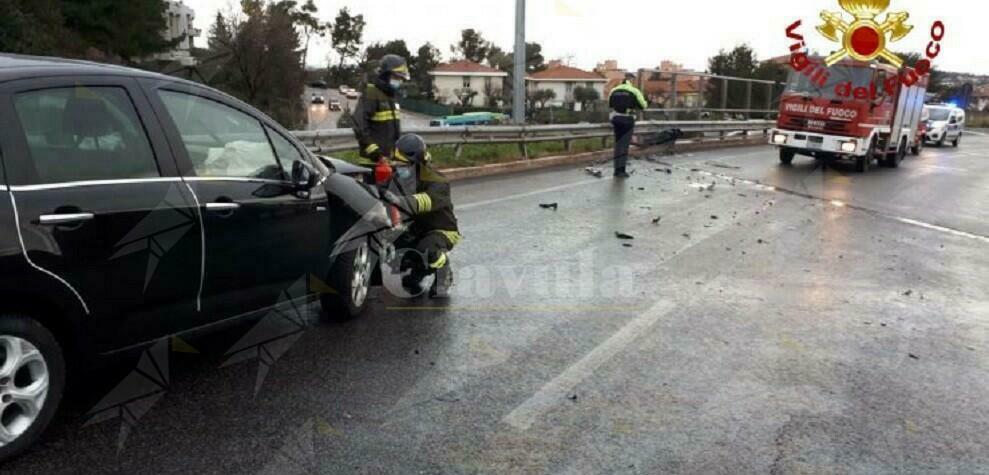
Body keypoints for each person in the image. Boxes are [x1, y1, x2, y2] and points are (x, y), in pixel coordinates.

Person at [384, 134, 461, 299]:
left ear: (417, 163)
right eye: (396, 164)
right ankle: (418, 271)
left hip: (441, 230)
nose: (398, 168)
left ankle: (444, 272)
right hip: (416, 230)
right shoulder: (399, 178)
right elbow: (382, 192)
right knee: (392, 248)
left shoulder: (437, 180)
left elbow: (426, 201)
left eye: (403, 165)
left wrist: (400, 201)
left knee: (427, 249)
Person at [352, 54, 409, 174]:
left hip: (388, 163)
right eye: (396, 77)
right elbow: (360, 126)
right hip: (372, 163)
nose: (399, 81)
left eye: (400, 79)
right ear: (385, 75)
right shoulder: (371, 93)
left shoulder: (391, 97)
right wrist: (376, 154)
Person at [608, 74, 648, 178]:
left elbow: (610, 104)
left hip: (616, 119)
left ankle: (616, 169)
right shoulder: (634, 91)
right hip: (627, 119)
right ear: (631, 80)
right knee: (624, 146)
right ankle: (621, 171)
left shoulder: (614, 90)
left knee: (618, 145)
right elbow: (643, 105)